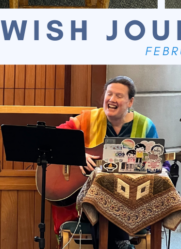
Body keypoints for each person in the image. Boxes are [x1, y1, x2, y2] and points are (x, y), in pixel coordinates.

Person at [53, 76, 158, 249]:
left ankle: (120, 242)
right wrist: (78, 154)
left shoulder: (145, 126)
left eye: (119, 95)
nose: (111, 99)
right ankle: (121, 243)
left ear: (130, 101)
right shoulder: (87, 119)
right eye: (109, 94)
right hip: (85, 199)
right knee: (100, 196)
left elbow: (154, 165)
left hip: (130, 200)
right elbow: (56, 138)